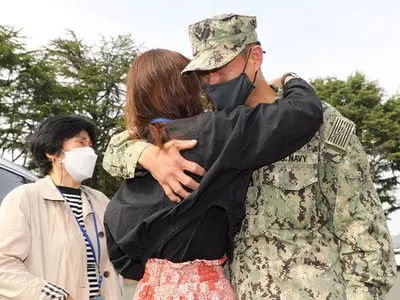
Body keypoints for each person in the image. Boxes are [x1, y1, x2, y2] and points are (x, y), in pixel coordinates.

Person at [103, 14, 397, 299]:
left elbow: (362, 230)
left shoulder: (322, 125)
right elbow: (121, 142)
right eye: (204, 74)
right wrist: (146, 153)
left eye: (222, 67)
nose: (213, 81)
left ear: (255, 57)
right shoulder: (207, 129)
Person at [103, 48, 322, 299]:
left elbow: (121, 256)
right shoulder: (214, 131)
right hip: (205, 288)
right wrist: (288, 79)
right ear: (186, 87)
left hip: (151, 289)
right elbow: (302, 112)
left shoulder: (135, 153)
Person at [0, 115, 123, 300]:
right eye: (80, 142)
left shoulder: (100, 201)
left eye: (90, 145)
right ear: (53, 152)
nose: (89, 151)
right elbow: (4, 265)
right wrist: (55, 296)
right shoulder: (24, 199)